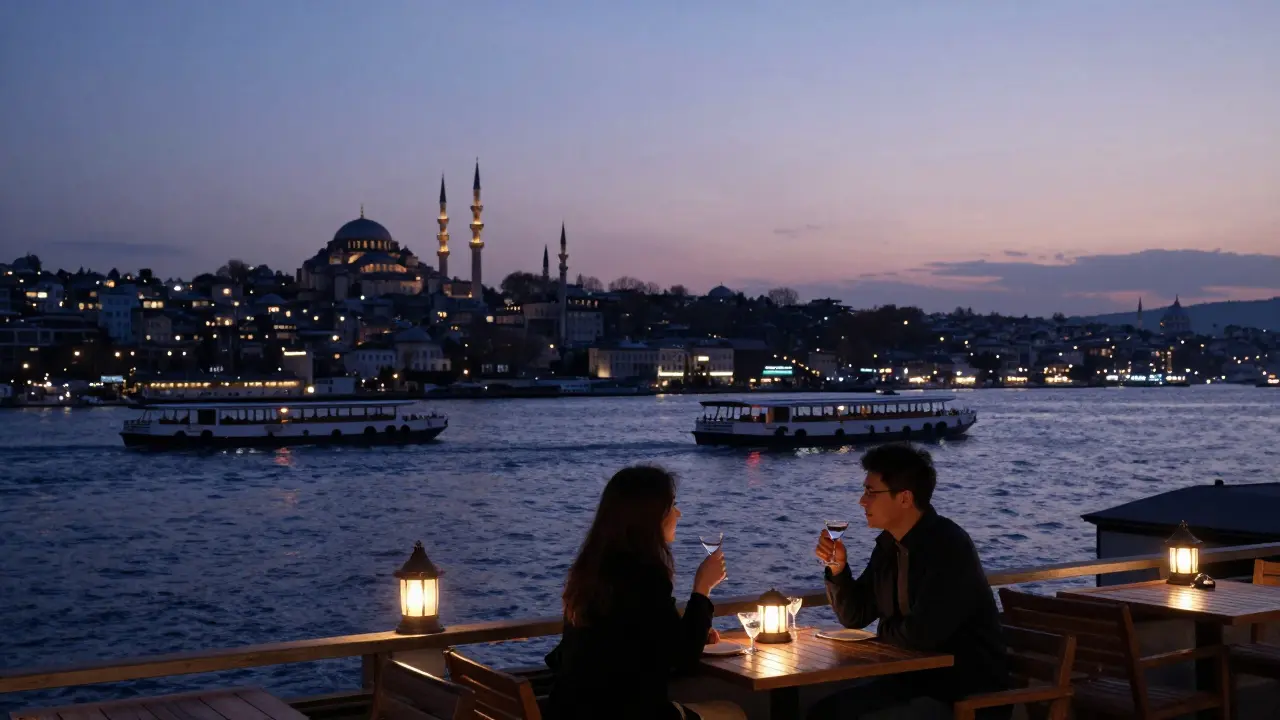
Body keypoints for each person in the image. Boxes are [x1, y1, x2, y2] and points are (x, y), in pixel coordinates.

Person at [808, 443, 1009, 720]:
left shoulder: (948, 547)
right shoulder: (890, 545)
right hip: (911, 680)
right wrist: (838, 568)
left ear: (904, 498)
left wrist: (881, 632)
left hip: (961, 692)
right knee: (823, 709)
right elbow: (855, 615)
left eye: (870, 492)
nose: (862, 501)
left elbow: (921, 635)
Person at [544, 465, 745, 720]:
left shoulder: (592, 572)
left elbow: (639, 642)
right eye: (672, 506)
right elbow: (682, 658)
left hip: (573, 710)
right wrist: (702, 588)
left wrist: (692, 633)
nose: (678, 513)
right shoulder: (644, 577)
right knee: (732, 713)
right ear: (650, 517)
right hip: (626, 712)